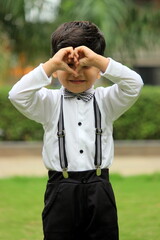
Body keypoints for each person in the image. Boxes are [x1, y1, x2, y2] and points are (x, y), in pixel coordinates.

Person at [9, 21, 143, 240]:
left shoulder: (107, 101)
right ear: (56, 71)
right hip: (60, 190)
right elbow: (17, 95)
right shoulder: (48, 103)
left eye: (85, 66)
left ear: (99, 70)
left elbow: (134, 84)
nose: (76, 73)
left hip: (100, 188)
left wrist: (98, 60)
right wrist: (51, 64)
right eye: (68, 66)